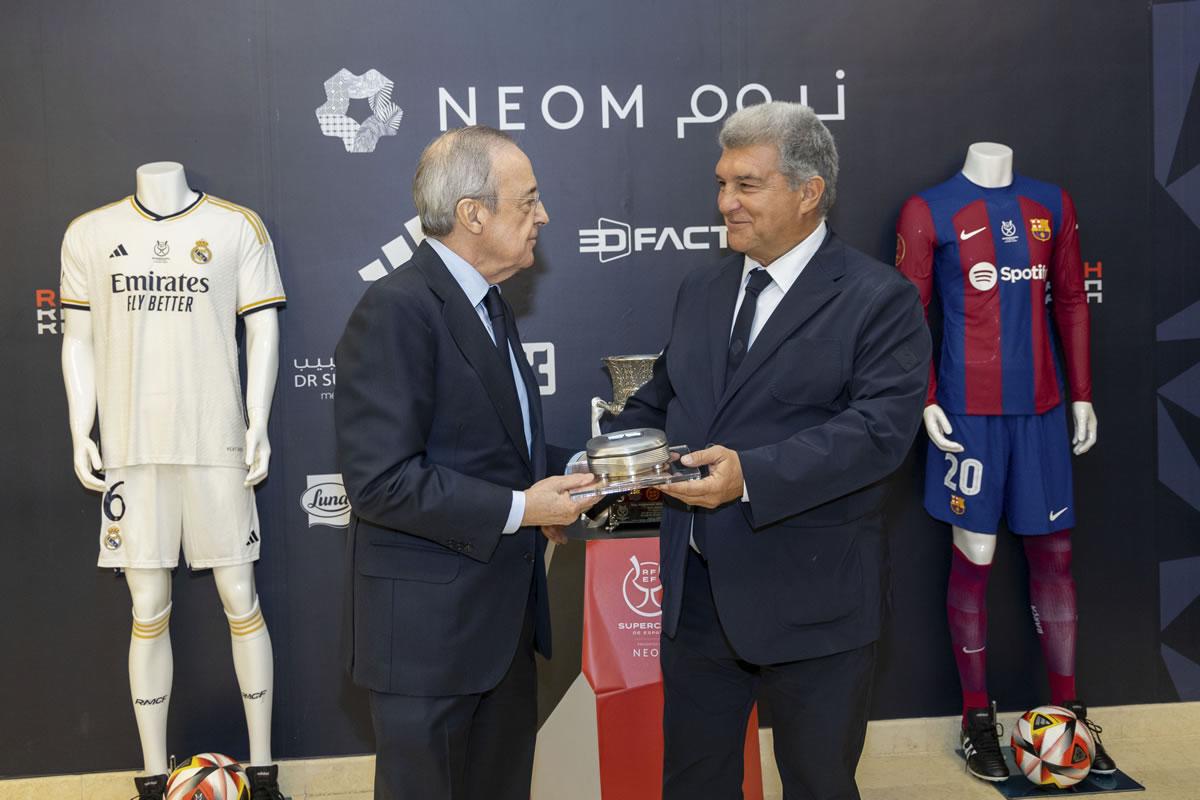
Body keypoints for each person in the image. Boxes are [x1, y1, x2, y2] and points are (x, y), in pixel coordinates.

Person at [607, 102, 931, 799]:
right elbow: (661, 399)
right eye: (722, 184)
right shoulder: (702, 286)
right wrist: (606, 459)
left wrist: (750, 475)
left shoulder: (881, 298)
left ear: (808, 192)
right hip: (697, 597)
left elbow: (879, 432)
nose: (725, 202)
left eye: (746, 185)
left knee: (817, 784)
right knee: (694, 784)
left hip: (814, 600)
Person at [334, 125, 596, 800]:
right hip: (429, 647)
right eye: (528, 200)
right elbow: (381, 481)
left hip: (498, 633)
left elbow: (500, 453)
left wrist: (601, 471)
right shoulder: (397, 309)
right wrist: (522, 510)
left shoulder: (488, 304)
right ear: (474, 213)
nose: (544, 216)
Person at [59, 162, 288, 800]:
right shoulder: (89, 233)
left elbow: (262, 325)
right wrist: (83, 428)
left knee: (242, 599)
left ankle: (264, 771)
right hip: (132, 446)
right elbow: (76, 338)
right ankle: (153, 777)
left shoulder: (237, 226)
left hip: (217, 440)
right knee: (146, 610)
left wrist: (257, 421)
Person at [895, 142, 1113, 782]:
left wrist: (1082, 395)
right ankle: (974, 720)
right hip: (968, 419)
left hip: (1044, 414)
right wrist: (926, 400)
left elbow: (1072, 300)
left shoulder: (1051, 202)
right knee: (977, 559)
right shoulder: (928, 210)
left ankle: (1070, 716)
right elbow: (908, 317)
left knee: (1055, 558)